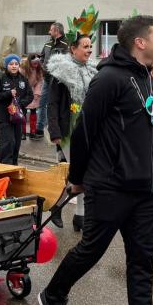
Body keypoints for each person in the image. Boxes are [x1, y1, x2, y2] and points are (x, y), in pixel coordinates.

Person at [37, 15, 153, 305]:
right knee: (91, 250)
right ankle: (53, 296)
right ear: (139, 42)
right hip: (110, 185)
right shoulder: (110, 79)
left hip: (143, 188)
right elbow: (85, 132)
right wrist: (79, 179)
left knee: (143, 257)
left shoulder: (145, 74)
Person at [45, 31, 97, 229]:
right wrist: (55, 132)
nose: (89, 50)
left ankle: (79, 215)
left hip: (87, 129)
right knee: (75, 172)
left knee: (83, 172)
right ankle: (60, 207)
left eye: (90, 46)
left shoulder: (93, 70)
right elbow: (52, 103)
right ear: (73, 49)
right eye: (85, 46)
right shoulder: (62, 71)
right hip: (68, 131)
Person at [0, 54, 33, 166]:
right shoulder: (1, 79)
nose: (14, 66)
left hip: (18, 118)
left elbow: (30, 96)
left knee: (16, 143)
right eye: (11, 64)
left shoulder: (23, 79)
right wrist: (8, 94)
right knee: (7, 142)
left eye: (16, 64)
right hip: (4, 117)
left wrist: (20, 104)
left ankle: (14, 166)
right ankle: (4, 166)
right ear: (6, 65)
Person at [37, 22, 69, 137]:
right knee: (42, 104)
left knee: (55, 105)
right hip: (47, 79)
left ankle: (56, 131)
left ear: (57, 31)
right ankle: (40, 129)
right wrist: (43, 68)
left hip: (59, 82)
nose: (49, 32)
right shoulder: (48, 44)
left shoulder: (67, 45)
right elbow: (41, 58)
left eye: (50, 30)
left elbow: (69, 62)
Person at [22, 56, 44, 139]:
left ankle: (33, 132)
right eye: (34, 62)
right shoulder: (23, 69)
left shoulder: (39, 70)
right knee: (22, 114)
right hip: (23, 93)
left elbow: (39, 82)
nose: (36, 64)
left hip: (33, 93)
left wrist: (37, 93)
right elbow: (20, 81)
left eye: (37, 63)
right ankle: (22, 132)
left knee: (33, 111)